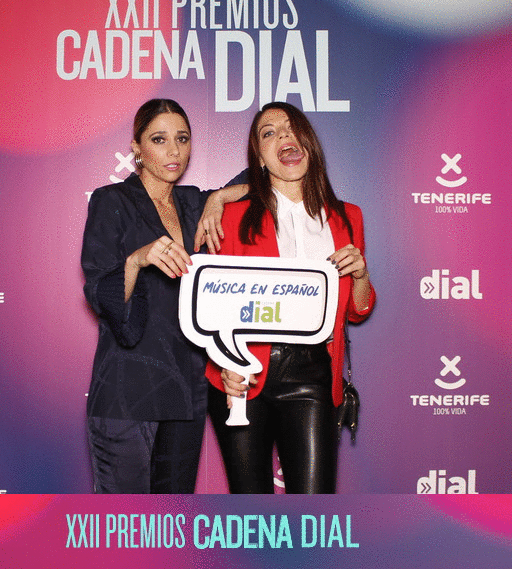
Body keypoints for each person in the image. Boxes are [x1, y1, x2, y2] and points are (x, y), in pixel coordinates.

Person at [206, 101, 376, 494]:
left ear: (309, 143)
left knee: (314, 509)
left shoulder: (348, 217)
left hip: (313, 373)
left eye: (291, 126)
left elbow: (358, 310)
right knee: (250, 513)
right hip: (244, 372)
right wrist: (226, 363)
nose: (283, 134)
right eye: (268, 133)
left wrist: (362, 274)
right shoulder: (232, 217)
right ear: (260, 158)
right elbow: (215, 306)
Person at [81, 99, 247, 493]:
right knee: (125, 524)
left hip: (186, 392)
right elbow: (99, 294)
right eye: (159, 139)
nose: (173, 150)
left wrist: (219, 198)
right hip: (127, 391)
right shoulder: (111, 201)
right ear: (137, 147)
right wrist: (137, 260)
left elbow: (267, 176)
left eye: (182, 139)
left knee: (171, 523)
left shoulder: (194, 204)